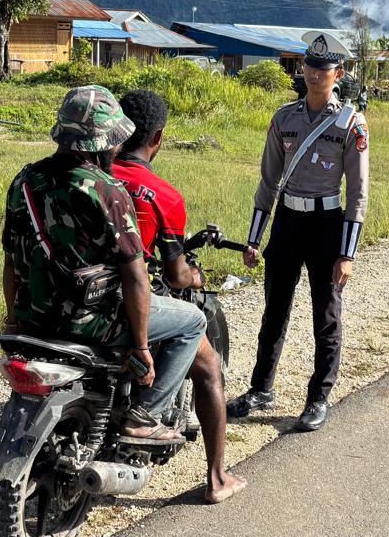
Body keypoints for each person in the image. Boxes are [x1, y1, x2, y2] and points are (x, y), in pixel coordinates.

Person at [1, 85, 206, 445]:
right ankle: (144, 415)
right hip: (90, 325)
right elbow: (136, 276)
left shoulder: (25, 181)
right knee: (192, 322)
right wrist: (141, 347)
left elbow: (11, 259)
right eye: (115, 140)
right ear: (105, 142)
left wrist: (14, 319)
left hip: (32, 319)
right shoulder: (106, 190)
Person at [228, 32, 370, 432]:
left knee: (325, 316)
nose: (313, 73)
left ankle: (318, 397)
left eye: (322, 68)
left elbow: (358, 194)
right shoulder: (283, 118)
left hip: (327, 224)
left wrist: (347, 254)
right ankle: (260, 389)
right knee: (274, 311)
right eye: (309, 65)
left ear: (337, 73)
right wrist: (255, 237)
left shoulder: (352, 124)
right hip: (288, 222)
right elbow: (267, 182)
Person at [112, 89, 246, 503]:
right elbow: (174, 272)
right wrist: (193, 277)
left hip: (72, 294)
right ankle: (216, 476)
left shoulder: (92, 174)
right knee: (204, 358)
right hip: (127, 299)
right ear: (158, 138)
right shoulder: (162, 195)